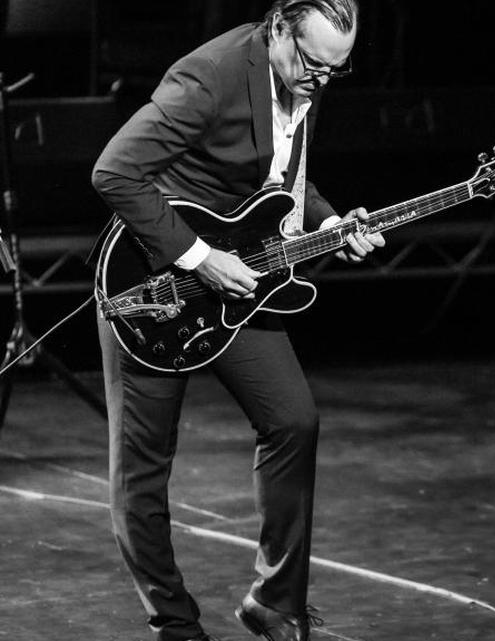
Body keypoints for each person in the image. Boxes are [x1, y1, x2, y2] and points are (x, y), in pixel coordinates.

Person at [90, 2, 381, 640]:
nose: (322, 80)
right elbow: (113, 171)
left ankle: (276, 603)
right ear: (279, 27)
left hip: (239, 277)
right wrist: (200, 258)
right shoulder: (212, 77)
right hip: (154, 284)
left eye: (338, 69)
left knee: (293, 419)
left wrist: (328, 223)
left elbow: (280, 181)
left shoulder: (305, 73)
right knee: (144, 463)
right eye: (313, 63)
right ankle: (174, 623)